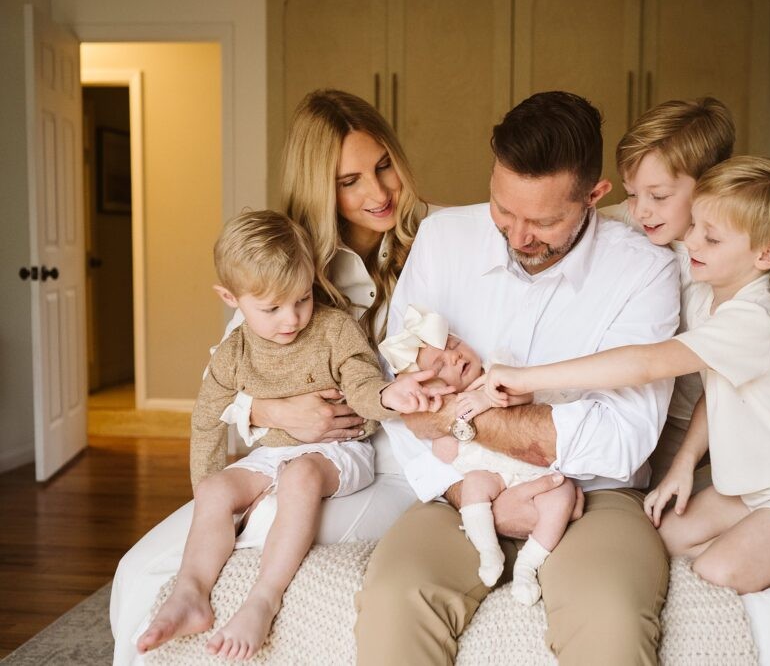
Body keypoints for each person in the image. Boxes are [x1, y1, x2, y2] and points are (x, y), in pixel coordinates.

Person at [110, 90, 435, 665]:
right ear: (319, 187)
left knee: (263, 529)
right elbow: (227, 387)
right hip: (280, 451)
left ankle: (256, 603)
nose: (378, 192)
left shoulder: (436, 247)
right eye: (350, 179)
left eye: (384, 166)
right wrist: (271, 411)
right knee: (136, 569)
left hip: (385, 460)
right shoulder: (283, 267)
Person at [354, 91, 680, 665]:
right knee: (392, 599)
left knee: (611, 618)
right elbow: (399, 399)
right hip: (457, 487)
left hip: (594, 498)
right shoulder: (441, 240)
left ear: (596, 196)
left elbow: (623, 437)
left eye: (545, 220)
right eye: (504, 210)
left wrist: (459, 415)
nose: (519, 236)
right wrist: (466, 489)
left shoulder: (645, 271)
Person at [483, 156, 770, 593]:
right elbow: (718, 390)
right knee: (656, 541)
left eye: (711, 238)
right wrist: (683, 465)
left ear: (767, 254)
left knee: (717, 570)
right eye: (694, 227)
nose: (692, 243)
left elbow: (644, 363)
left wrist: (527, 378)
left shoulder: (756, 318)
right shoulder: (713, 296)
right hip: (751, 487)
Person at [137, 211, 446, 659]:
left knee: (301, 475)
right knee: (216, 487)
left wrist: (390, 397)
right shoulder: (233, 353)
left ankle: (264, 597)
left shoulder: (334, 328)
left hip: (341, 450)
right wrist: (205, 494)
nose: (292, 318)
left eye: (302, 298)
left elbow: (361, 385)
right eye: (272, 308)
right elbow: (206, 418)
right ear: (231, 298)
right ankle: (190, 593)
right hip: (273, 453)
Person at [602, 98, 770, 493]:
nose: (641, 211)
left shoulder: (748, 251)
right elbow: (568, 220)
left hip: (714, 425)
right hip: (658, 414)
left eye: (659, 195)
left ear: (708, 182)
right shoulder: (627, 220)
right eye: (632, 193)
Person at [377, 305, 577, 605]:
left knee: (562, 494)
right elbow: (446, 455)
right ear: (431, 386)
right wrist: (442, 418)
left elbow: (525, 393)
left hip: (534, 470)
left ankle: (528, 564)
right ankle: (488, 550)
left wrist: (486, 397)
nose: (454, 356)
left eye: (454, 344)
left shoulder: (497, 371)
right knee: (474, 485)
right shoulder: (445, 409)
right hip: (493, 476)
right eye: (440, 365)